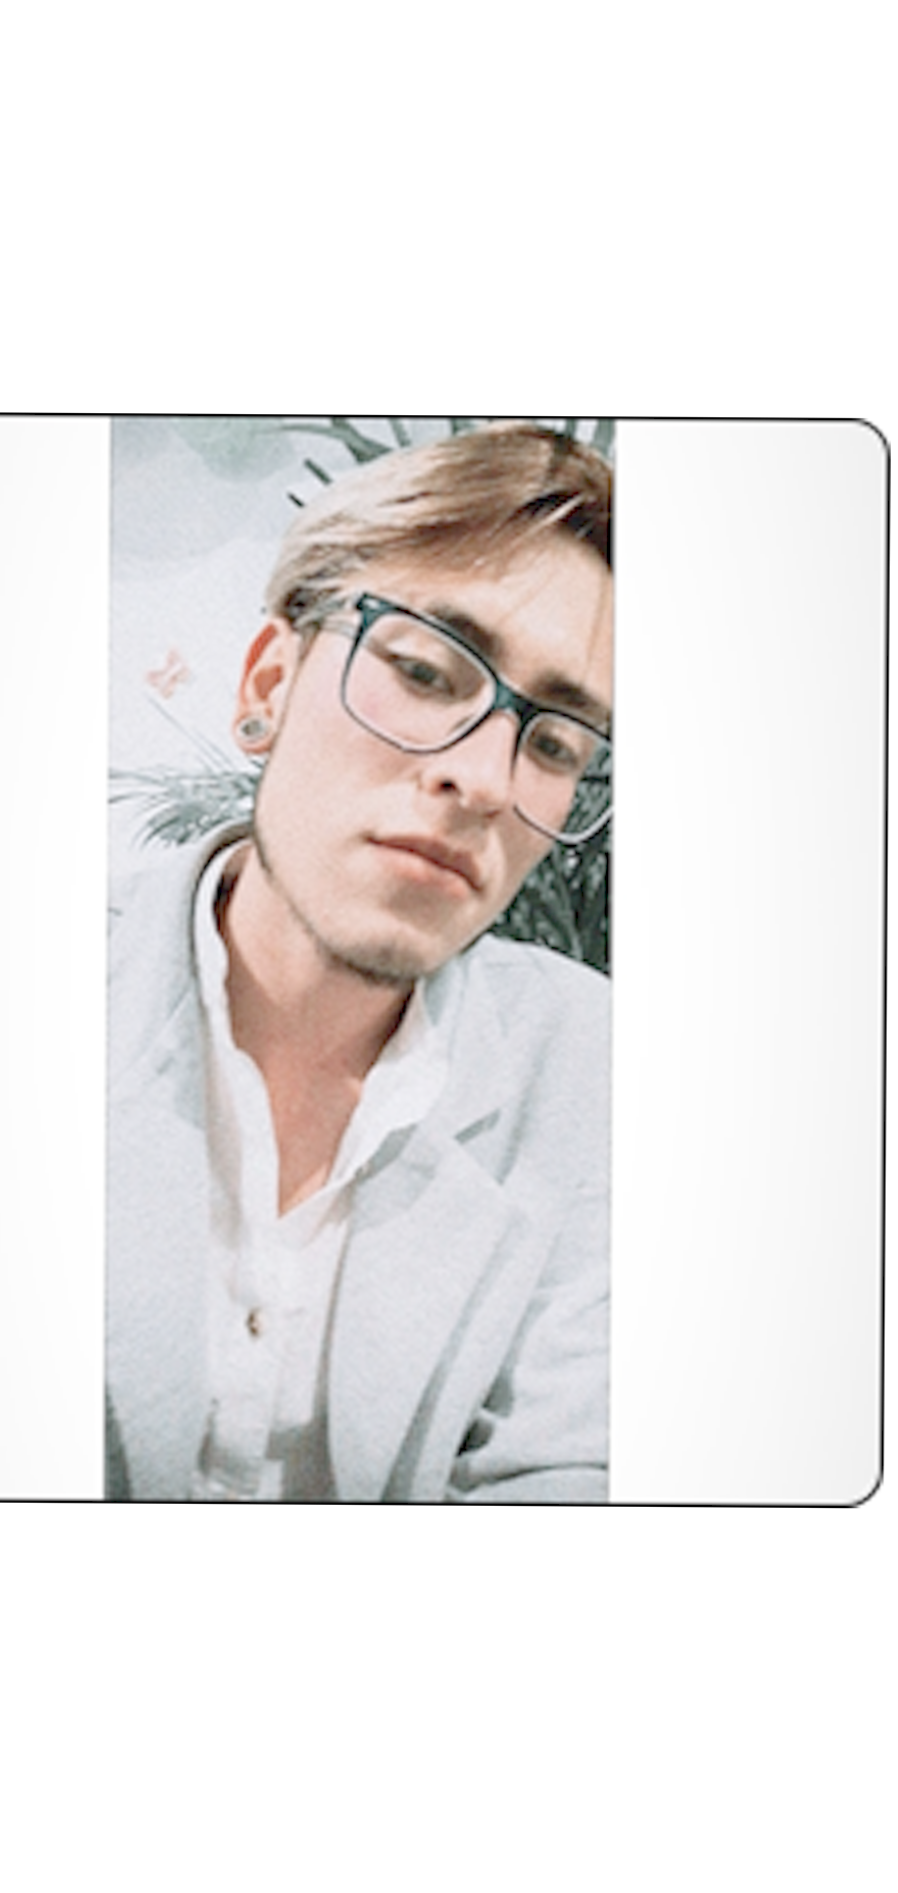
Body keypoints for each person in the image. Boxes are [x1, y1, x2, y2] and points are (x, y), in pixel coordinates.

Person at [106, 421, 613, 1502]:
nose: (486, 780)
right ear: (269, 682)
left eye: (555, 744)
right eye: (425, 671)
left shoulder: (594, 1070)